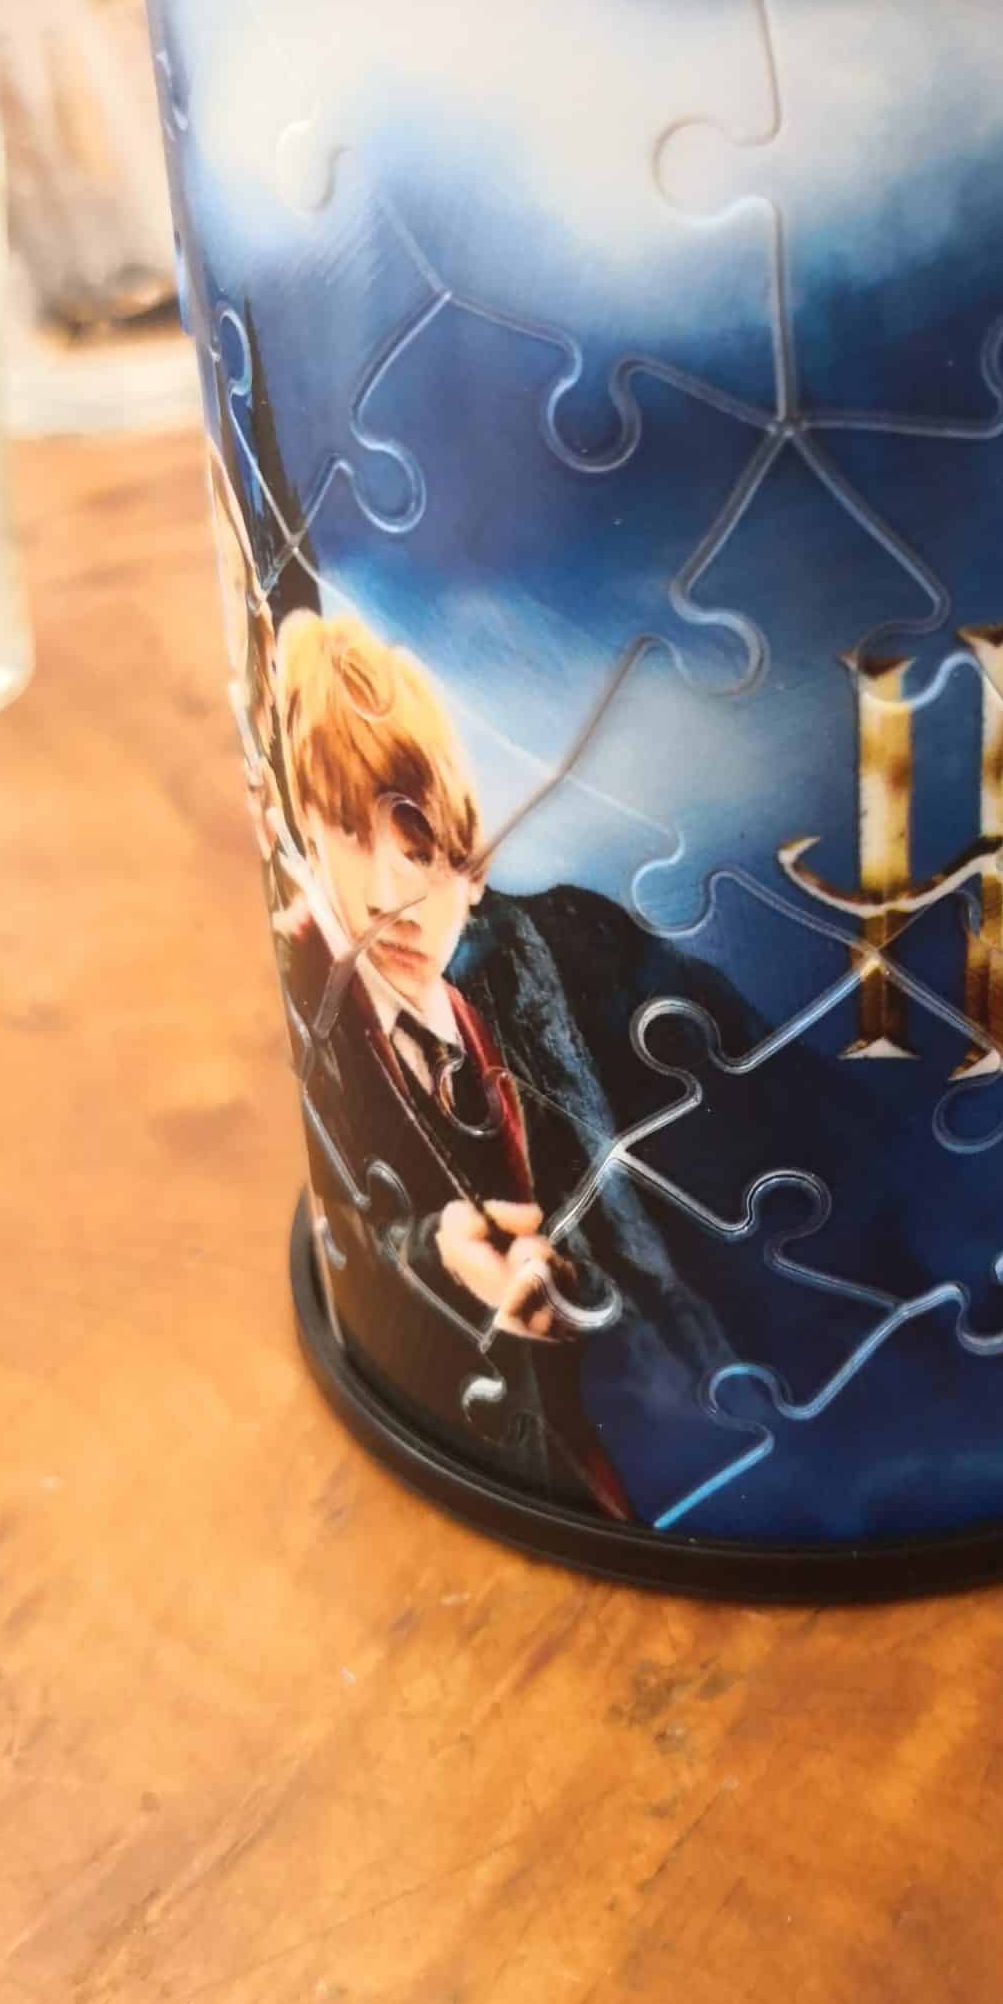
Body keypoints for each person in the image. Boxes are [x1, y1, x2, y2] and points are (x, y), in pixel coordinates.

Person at [275, 606, 640, 1519]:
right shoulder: (319, 1009)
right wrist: (435, 1259)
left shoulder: (483, 1038)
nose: (390, 896)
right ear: (304, 832)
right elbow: (354, 1229)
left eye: (423, 852)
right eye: (351, 834)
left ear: (474, 874)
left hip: (557, 1464)